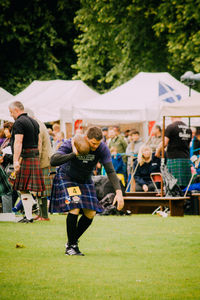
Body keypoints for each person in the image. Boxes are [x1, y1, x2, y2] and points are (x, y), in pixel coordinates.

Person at [50, 127, 124, 256]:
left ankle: (71, 242)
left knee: (91, 213)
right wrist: (74, 154)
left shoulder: (102, 148)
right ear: (86, 138)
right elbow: (53, 160)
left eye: (98, 143)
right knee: (75, 207)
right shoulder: (70, 143)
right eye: (93, 143)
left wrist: (119, 192)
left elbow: (111, 171)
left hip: (85, 179)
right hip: (68, 176)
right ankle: (72, 247)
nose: (95, 146)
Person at [9, 101, 45, 223]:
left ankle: (31, 210)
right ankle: (29, 215)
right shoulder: (34, 122)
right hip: (34, 155)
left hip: (25, 156)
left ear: (16, 110)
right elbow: (39, 141)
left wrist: (15, 160)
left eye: (11, 112)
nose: (11, 115)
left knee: (22, 187)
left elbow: (18, 142)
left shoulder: (19, 122)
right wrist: (37, 155)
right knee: (24, 188)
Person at [156, 117, 192, 188]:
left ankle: (174, 198)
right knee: (185, 185)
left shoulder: (171, 127)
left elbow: (164, 143)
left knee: (173, 184)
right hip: (186, 158)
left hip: (174, 158)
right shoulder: (188, 128)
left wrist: (157, 151)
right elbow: (188, 144)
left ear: (172, 117)